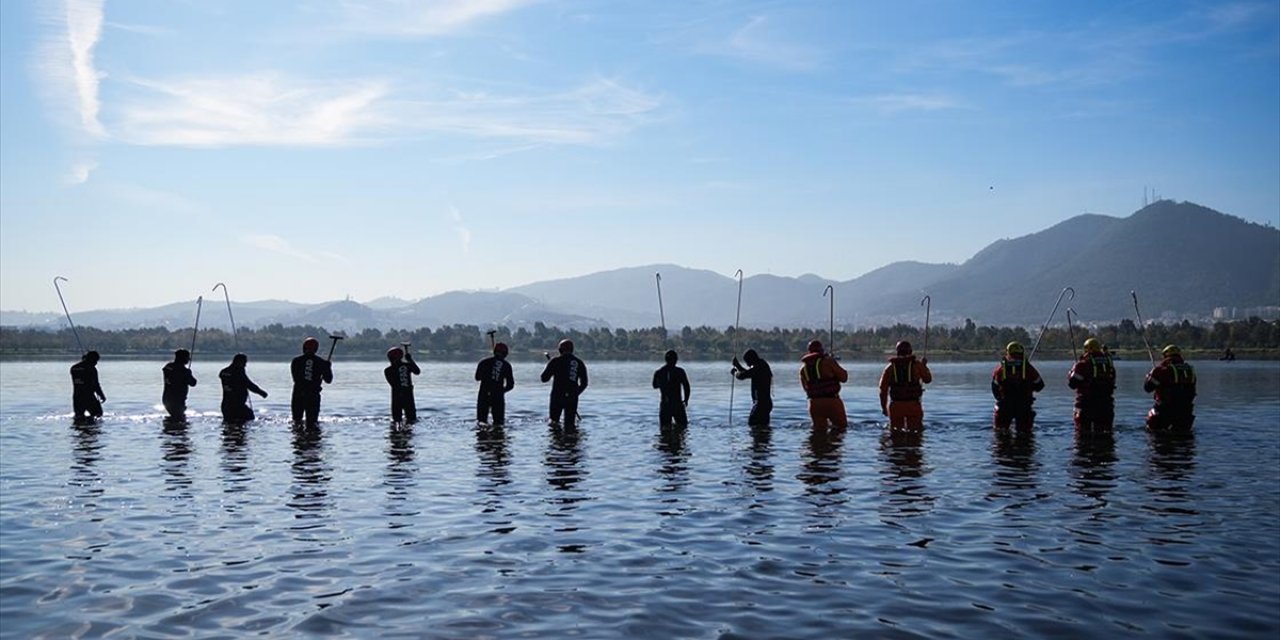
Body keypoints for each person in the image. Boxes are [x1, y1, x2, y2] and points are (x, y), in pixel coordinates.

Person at [878, 340, 933, 431]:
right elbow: (928, 379)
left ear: (897, 352)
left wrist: (884, 408)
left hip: (896, 406)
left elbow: (882, 390)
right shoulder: (917, 365)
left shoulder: (890, 368)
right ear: (910, 351)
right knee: (916, 435)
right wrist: (924, 366)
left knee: (895, 433)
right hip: (913, 405)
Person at [991, 341, 1044, 430]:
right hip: (1024, 407)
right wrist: (1029, 387)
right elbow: (1040, 386)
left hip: (1004, 407)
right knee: (1025, 436)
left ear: (1008, 352)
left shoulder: (1000, 369)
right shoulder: (1028, 369)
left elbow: (994, 388)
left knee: (1000, 433)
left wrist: (1000, 399)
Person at [1144, 344, 1197, 433]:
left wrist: (1149, 377)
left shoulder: (1161, 370)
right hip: (1186, 411)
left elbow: (1148, 388)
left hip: (1165, 410)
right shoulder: (1190, 371)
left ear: (1165, 356)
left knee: (1153, 429)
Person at [1068, 337, 1116, 431]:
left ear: (1087, 349)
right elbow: (1112, 380)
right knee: (1106, 436)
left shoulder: (1083, 364)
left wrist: (1072, 372)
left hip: (1086, 405)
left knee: (1083, 438)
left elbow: (1072, 384)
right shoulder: (1109, 364)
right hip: (1106, 405)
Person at [800, 340, 848, 429]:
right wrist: (834, 362)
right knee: (841, 429)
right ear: (821, 350)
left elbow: (806, 389)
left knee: (818, 432)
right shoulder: (828, 362)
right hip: (832, 401)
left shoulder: (803, 369)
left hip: (814, 404)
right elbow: (844, 378)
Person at [541, 339, 588, 429]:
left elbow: (544, 379)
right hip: (572, 397)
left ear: (560, 350)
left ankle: (556, 441)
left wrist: (550, 367)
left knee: (554, 423)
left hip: (557, 396)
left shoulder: (555, 361)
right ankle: (571, 440)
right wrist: (575, 394)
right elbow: (584, 383)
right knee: (570, 424)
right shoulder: (579, 362)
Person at [291, 336, 333, 427]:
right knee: (312, 423)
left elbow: (295, 379)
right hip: (312, 396)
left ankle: (299, 439)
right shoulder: (321, 362)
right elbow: (328, 380)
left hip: (298, 394)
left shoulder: (296, 361)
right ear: (316, 349)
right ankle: (312, 439)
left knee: (296, 422)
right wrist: (328, 368)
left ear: (304, 347)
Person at [219, 353, 268, 422]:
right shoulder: (238, 372)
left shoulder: (224, 372)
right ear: (239, 362)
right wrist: (262, 393)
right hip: (238, 407)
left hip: (226, 406)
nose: (245, 365)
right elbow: (249, 384)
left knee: (228, 425)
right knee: (248, 421)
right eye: (244, 362)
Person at [475, 342, 515, 426]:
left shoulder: (483, 362)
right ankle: (497, 437)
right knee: (499, 423)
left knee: (481, 422)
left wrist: (488, 375)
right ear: (505, 354)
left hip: (484, 394)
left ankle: (482, 436)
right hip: (498, 396)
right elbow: (510, 385)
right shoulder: (506, 365)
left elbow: (477, 377)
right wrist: (502, 391)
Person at [732, 349, 773, 426]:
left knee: (752, 425)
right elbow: (748, 373)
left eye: (747, 362)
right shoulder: (762, 365)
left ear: (751, 359)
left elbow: (743, 375)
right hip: (766, 404)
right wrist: (737, 366)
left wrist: (735, 373)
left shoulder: (758, 366)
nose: (747, 365)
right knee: (763, 427)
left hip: (760, 405)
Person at [653, 349, 691, 428]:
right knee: (683, 428)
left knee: (664, 429)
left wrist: (664, 385)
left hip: (665, 404)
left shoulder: (659, 372)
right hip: (677, 404)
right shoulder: (680, 372)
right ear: (676, 360)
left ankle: (666, 440)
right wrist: (686, 399)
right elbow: (686, 386)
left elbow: (654, 385)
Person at [384, 345, 421, 424]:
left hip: (396, 396)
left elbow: (393, 385)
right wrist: (410, 360)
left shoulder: (388, 370)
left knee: (396, 420)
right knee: (411, 419)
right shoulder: (407, 366)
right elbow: (417, 371)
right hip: (408, 395)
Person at [161, 349, 197, 420]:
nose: (189, 360)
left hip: (166, 399)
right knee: (180, 420)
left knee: (173, 419)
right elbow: (193, 383)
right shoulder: (183, 371)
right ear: (183, 358)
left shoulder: (168, 367)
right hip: (177, 401)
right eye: (187, 357)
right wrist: (189, 373)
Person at [70, 350, 105, 423]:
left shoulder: (74, 368)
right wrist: (101, 395)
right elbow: (95, 384)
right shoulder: (92, 369)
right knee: (98, 415)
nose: (96, 363)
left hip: (77, 397)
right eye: (95, 360)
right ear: (92, 359)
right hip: (89, 397)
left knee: (79, 417)